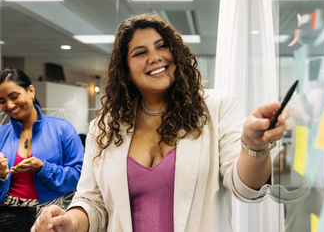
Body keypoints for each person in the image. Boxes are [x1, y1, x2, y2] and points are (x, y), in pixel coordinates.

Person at [32, 14, 288, 232]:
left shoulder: (216, 108)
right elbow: (92, 201)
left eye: (162, 46)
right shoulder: (105, 127)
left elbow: (246, 188)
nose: (154, 57)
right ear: (126, 70)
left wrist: (254, 145)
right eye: (141, 52)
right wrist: (70, 221)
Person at [0, 68, 84, 230]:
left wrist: (43, 168)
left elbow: (79, 177)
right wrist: (2, 175)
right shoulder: (1, 135)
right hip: (6, 219)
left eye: (14, 96)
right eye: (2, 101)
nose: (9, 105)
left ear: (31, 91)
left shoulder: (62, 130)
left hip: (47, 218)